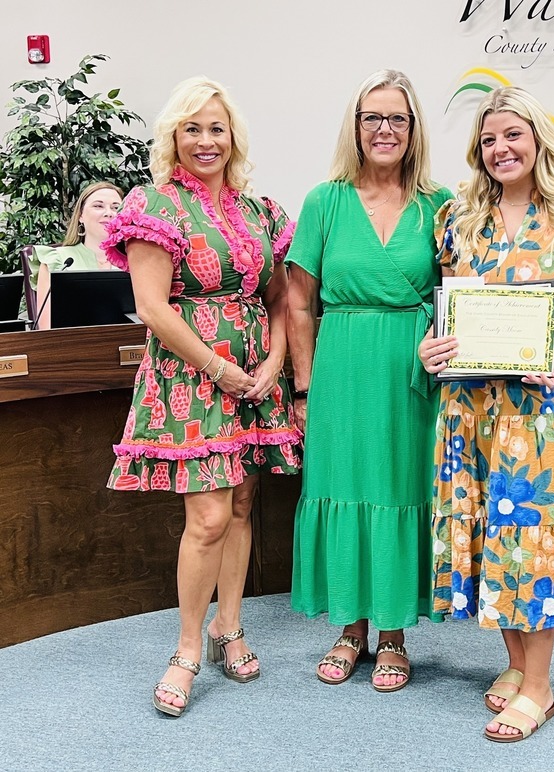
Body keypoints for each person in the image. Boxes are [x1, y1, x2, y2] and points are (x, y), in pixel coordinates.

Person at [419, 86, 554, 742]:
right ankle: (513, 664)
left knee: (534, 540)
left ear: (538, 140)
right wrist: (431, 344)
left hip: (544, 407)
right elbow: (447, 306)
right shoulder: (456, 218)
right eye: (489, 139)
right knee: (488, 530)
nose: (501, 149)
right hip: (471, 405)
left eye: (513, 135)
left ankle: (539, 687)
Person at [102, 77, 301, 717]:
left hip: (252, 375)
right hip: (192, 377)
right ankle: (187, 647)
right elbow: (153, 308)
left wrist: (272, 362)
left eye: (217, 128)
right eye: (193, 129)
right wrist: (219, 367)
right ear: (174, 138)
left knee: (243, 505)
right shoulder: (153, 206)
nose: (206, 140)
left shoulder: (260, 211)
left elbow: (277, 299)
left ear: (233, 137)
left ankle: (230, 625)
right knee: (207, 517)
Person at [287, 69, 452, 692]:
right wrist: (304, 387)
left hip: (413, 368)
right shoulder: (323, 201)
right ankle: (351, 629)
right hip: (342, 368)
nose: (384, 129)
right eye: (372, 118)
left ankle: (393, 635)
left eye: (397, 119)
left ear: (413, 131)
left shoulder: (441, 205)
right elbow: (298, 304)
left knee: (400, 488)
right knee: (345, 484)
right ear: (355, 128)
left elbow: (461, 292)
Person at [32, 181, 124, 329]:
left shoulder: (137, 261)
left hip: (130, 348)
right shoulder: (57, 260)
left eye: (116, 207)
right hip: (70, 347)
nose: (109, 213)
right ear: (80, 215)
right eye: (98, 206)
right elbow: (46, 328)